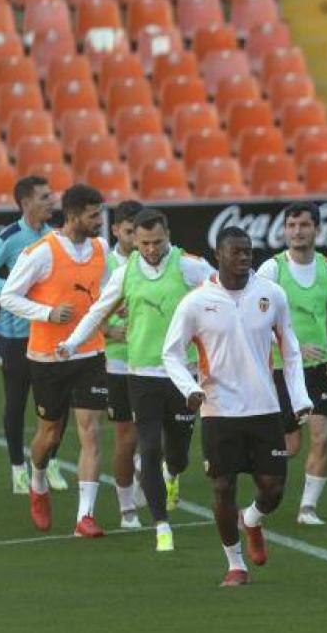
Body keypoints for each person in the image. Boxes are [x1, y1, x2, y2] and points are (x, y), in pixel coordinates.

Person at [163, 226, 311, 586]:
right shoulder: (196, 301)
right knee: (222, 487)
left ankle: (253, 520)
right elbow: (170, 354)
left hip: (265, 406)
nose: (245, 257)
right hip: (218, 409)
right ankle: (235, 564)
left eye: (248, 251)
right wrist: (190, 388)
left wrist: (300, 397)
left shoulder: (271, 294)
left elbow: (290, 350)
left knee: (273, 488)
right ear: (219, 255)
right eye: (237, 252)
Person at [60, 208, 214, 551]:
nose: (151, 249)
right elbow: (97, 312)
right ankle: (162, 526)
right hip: (140, 373)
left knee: (177, 453)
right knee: (148, 445)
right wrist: (70, 344)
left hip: (184, 375)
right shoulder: (127, 272)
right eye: (144, 243)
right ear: (134, 240)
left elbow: (223, 294)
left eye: (157, 241)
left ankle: (172, 475)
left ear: (168, 235)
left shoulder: (189, 266)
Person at [0, 184, 109, 536]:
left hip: (90, 352)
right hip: (48, 356)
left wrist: (114, 322)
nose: (99, 221)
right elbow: (9, 297)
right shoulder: (41, 252)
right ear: (74, 215)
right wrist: (47, 313)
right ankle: (38, 480)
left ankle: (85, 516)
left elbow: (105, 296)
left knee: (91, 432)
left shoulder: (100, 248)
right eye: (94, 215)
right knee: (49, 434)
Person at [257, 202, 327, 527]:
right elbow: (255, 319)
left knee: (322, 436)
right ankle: (263, 482)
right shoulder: (272, 269)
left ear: (317, 230)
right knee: (290, 445)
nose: (297, 231)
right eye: (292, 225)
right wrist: (293, 346)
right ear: (284, 230)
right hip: (281, 367)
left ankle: (307, 508)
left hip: (320, 368)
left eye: (304, 225)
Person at [0, 176, 64, 494]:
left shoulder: (55, 238)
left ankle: (49, 462)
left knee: (54, 401)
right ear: (26, 203)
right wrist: (15, 291)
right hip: (15, 335)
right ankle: (17, 469)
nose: (52, 201)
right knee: (16, 402)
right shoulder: (9, 237)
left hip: (49, 332)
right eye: (45, 196)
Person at [99, 199, 144, 530]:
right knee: (126, 437)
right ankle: (127, 508)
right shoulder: (105, 265)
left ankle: (145, 466)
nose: (135, 239)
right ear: (116, 230)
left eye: (139, 232)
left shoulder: (155, 262)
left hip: (154, 362)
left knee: (161, 436)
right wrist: (108, 327)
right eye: (129, 232)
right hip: (119, 361)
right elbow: (89, 309)